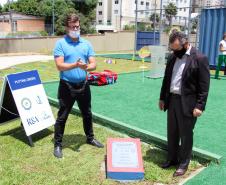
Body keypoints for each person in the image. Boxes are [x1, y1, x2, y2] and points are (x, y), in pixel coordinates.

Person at [159, 31, 210, 177]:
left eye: (176, 48)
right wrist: (162, 98)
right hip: (172, 100)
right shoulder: (172, 57)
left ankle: (183, 164)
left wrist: (200, 106)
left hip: (188, 103)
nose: (174, 51)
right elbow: (167, 79)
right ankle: (172, 158)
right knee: (172, 132)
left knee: (186, 135)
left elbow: (204, 86)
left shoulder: (200, 58)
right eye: (172, 48)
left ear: (185, 44)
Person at [53, 13, 104, 158]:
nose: (75, 29)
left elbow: (93, 64)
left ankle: (90, 138)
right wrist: (75, 65)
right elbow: (59, 66)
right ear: (67, 27)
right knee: (62, 116)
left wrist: (85, 67)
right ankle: (57, 144)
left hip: (83, 85)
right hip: (67, 86)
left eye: (77, 26)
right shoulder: (60, 44)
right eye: (72, 27)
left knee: (87, 113)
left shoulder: (86, 44)